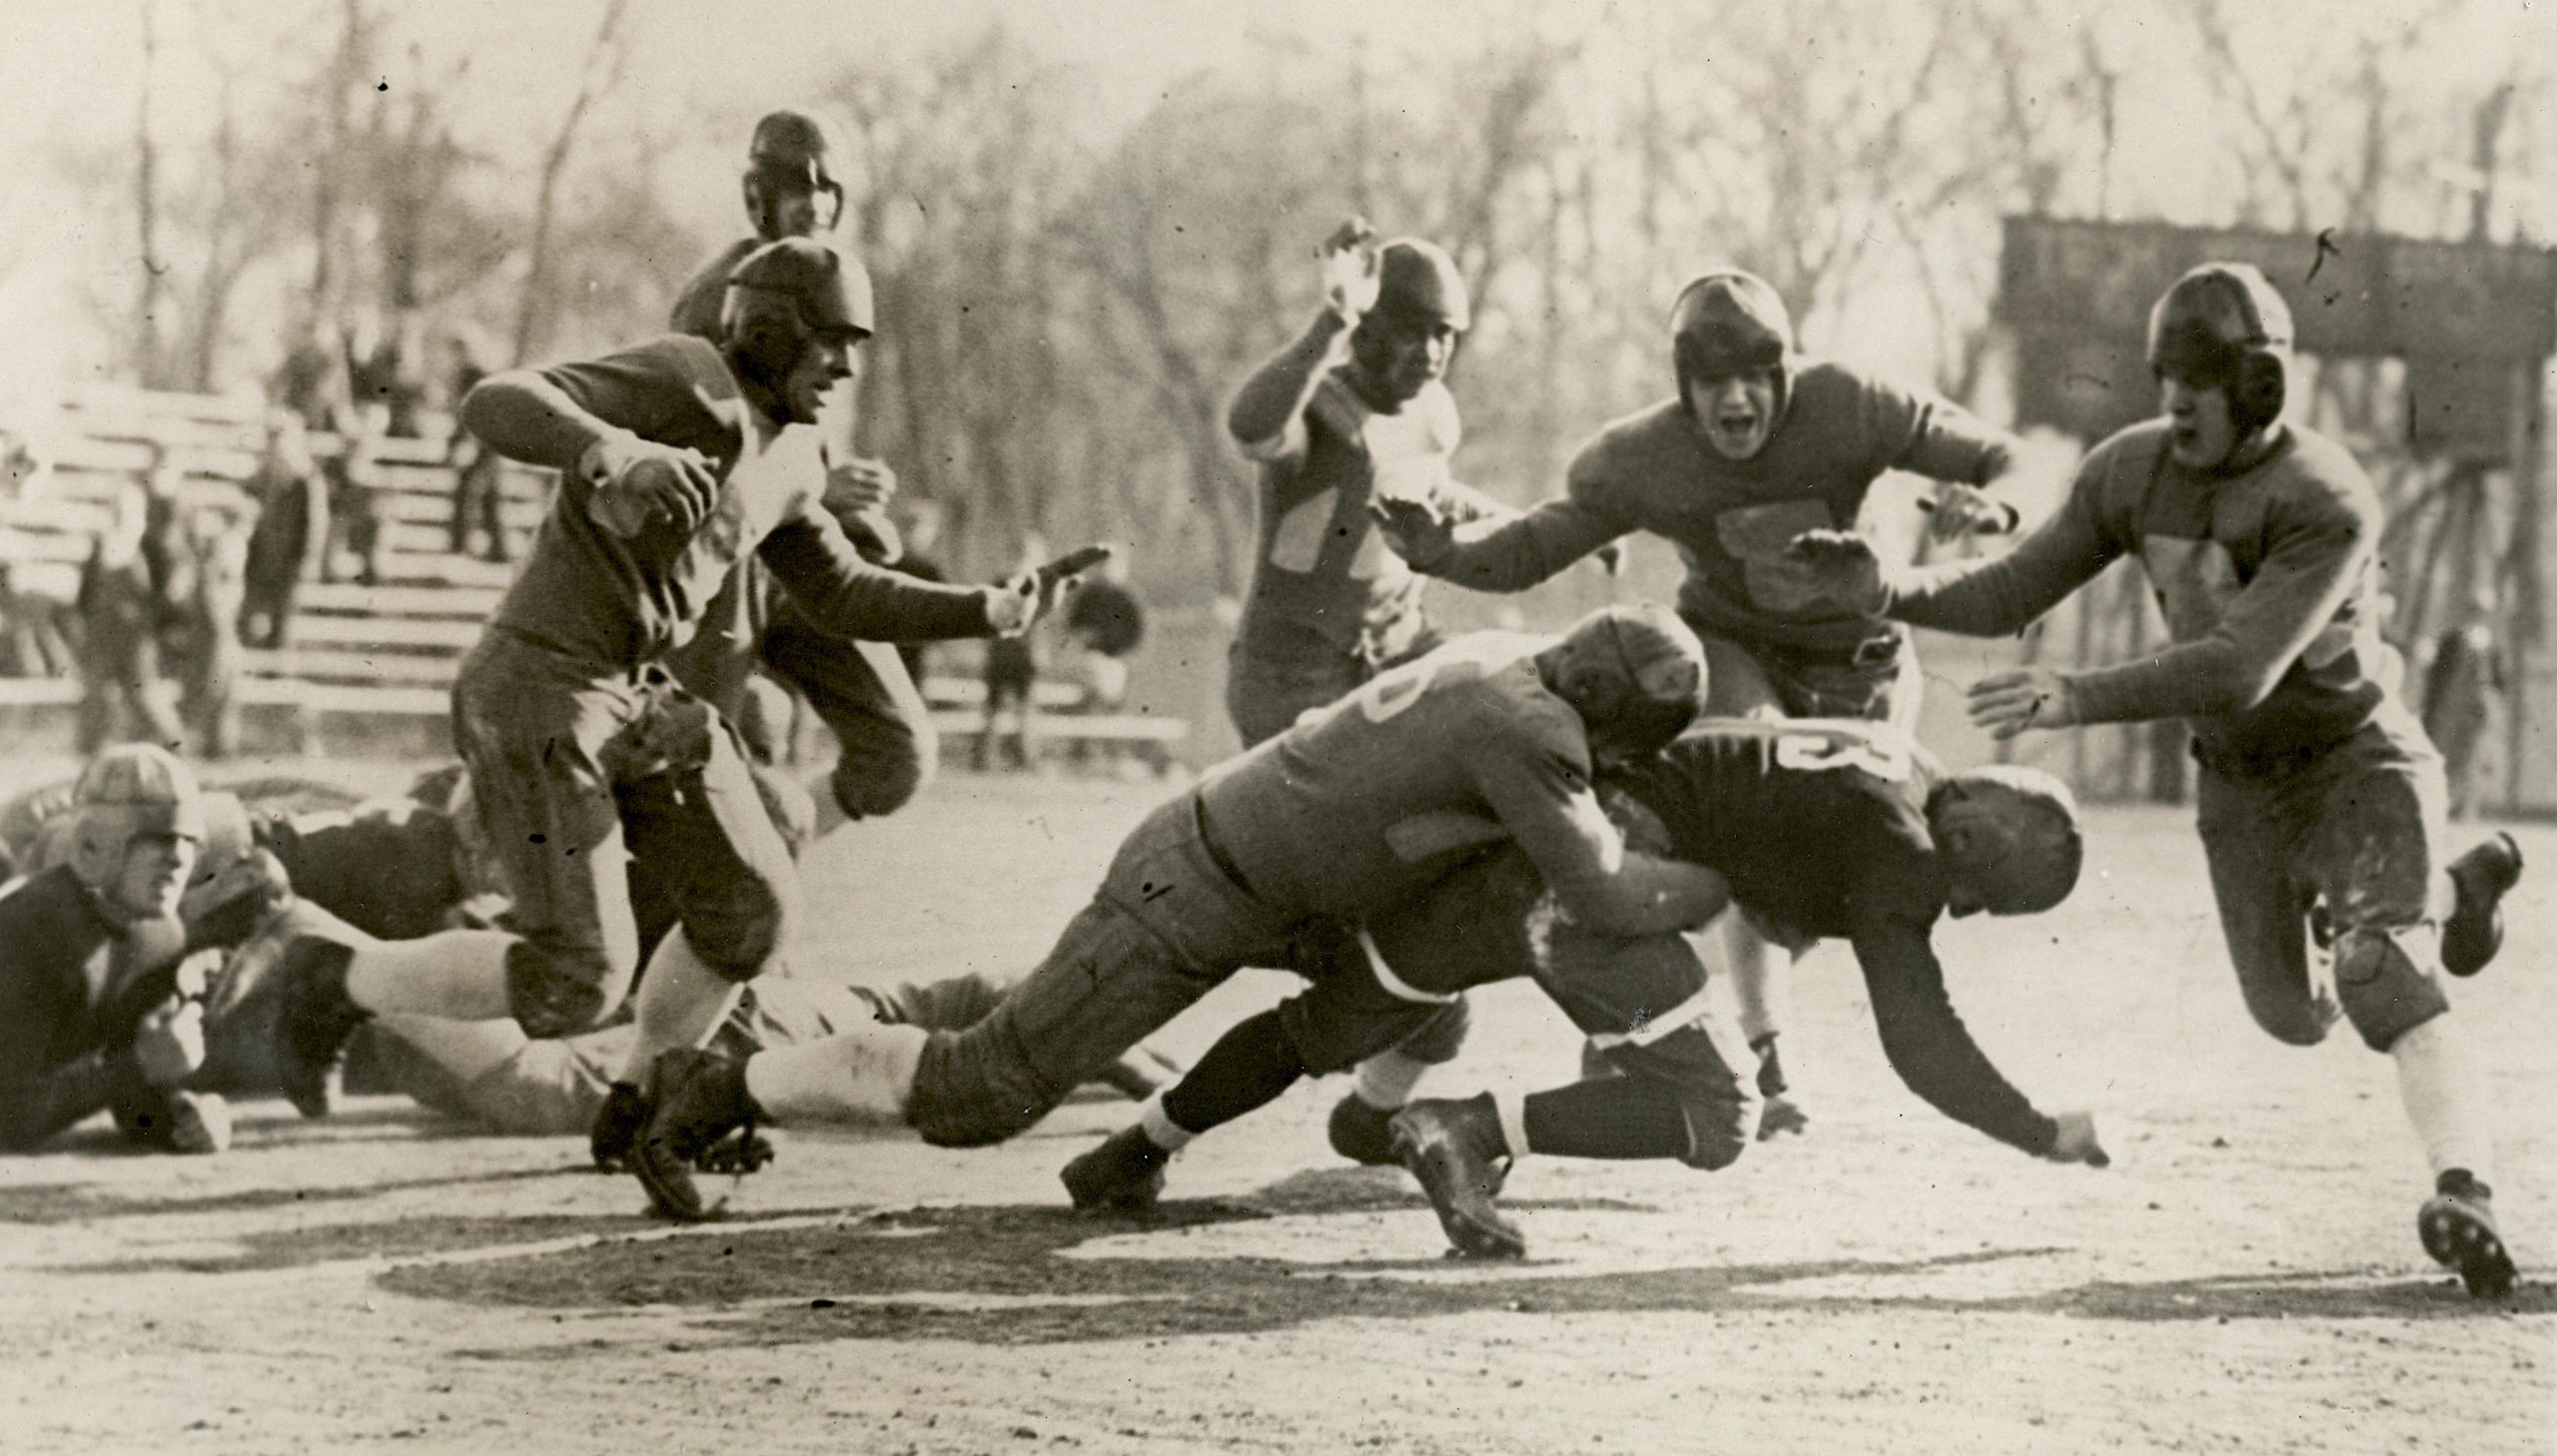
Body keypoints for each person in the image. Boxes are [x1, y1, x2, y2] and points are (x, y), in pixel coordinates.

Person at [1785, 262, 2530, 1299]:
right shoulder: (2129, 470)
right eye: (2167, 371)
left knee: (2377, 975)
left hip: (2353, 761)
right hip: (2234, 783)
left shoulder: (2325, 496)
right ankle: (2454, 887)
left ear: (2260, 383)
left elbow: (2238, 665)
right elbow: (2011, 589)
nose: (2177, 395)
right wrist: (1890, 589)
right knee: (2288, 1014)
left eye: (2205, 374)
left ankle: (2467, 1193)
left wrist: (2077, 696)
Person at [267, 238, 1062, 1147]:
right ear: (770, 328)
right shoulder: (691, 378)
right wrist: (612, 447)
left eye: (855, 344)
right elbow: (496, 401)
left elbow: (839, 590)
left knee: (750, 912)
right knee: (578, 979)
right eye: (829, 339)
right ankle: (333, 981)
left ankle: (640, 1103)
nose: (845, 365)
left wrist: (987, 609)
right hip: (544, 681)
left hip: (634, 694)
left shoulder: (799, 455)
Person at [626, 604, 1733, 1222]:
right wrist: (1723, 876)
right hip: (1198, 886)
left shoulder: (1509, 651)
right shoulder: (1528, 729)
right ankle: (718, 1086)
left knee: (1424, 997)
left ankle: (1363, 1127)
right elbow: (1597, 889)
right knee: (985, 1090)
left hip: (1280, 877)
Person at [1370, 267, 2037, 1126]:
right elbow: (1535, 546)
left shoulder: (1851, 405)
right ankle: (1713, 1043)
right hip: (1735, 647)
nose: (1735, 402)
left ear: (1786, 374)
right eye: (1712, 383)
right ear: (1683, 391)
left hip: (1862, 661)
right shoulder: (1645, 454)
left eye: (1754, 376)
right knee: (1740, 827)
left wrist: (1997, 512)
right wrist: (1443, 552)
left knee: (1804, 886)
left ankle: (1724, 1038)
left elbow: (2005, 457)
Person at [1063, 718, 2107, 1259]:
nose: (1955, 909)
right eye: (1978, 895)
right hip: (1600, 883)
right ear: (1968, 835)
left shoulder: (1901, 765)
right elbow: (1917, 1039)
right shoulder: (1906, 847)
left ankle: (1136, 1147)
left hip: (1534, 838)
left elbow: (1766, 833)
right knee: (1719, 1109)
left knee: (1322, 1024)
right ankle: (1470, 1131)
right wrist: (2034, 1129)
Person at [663, 109, 943, 836]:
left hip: (798, 565)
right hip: (723, 569)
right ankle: (714, 914)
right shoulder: (715, 297)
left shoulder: (829, 285)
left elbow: (793, 437)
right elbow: (706, 456)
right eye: (800, 187)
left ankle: (770, 860)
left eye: (829, 189)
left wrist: (840, 497)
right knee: (691, 780)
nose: (816, 203)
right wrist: (817, 489)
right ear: (760, 194)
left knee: (898, 753)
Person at [1223, 218, 1514, 748]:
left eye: (1442, 333)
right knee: (1314, 818)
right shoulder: (1321, 410)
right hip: (1295, 672)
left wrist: (1541, 530)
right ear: (1369, 328)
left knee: (1498, 722)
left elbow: (1437, 494)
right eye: (1411, 330)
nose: (1429, 351)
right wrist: (1328, 326)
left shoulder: (1433, 412)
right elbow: (1251, 428)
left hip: (1400, 648)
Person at [0, 745, 229, 1154]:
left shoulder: (162, 937)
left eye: (186, 839)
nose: (177, 858)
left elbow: (128, 1093)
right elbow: (7, 1115)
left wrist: (182, 1113)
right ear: (94, 845)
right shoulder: (30, 928)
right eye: (157, 837)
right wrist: (140, 1064)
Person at [75, 475, 185, 753]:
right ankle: (89, 756)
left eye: (128, 506)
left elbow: (167, 593)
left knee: (143, 694)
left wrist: (150, 622)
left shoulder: (150, 546)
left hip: (135, 637)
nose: (121, 512)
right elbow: (85, 593)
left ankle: (175, 747)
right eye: (117, 506)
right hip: (102, 634)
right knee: (95, 695)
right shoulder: (102, 544)